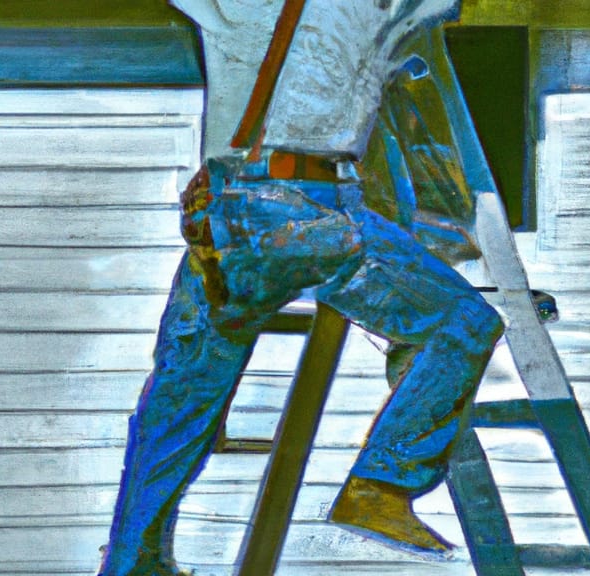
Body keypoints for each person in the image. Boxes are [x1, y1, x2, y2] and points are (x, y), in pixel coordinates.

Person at [98, 1, 505, 574]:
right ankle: (381, 484)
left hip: (222, 217)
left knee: (179, 395)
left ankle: (133, 560)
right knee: (467, 323)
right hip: (309, 207)